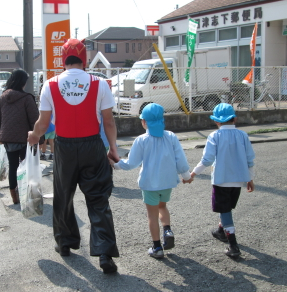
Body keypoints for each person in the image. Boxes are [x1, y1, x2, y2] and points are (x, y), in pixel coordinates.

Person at [28, 38, 119, 274]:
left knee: (63, 195)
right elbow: (108, 121)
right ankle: (105, 253)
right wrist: (113, 149)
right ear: (84, 59)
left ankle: (64, 242)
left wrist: (35, 135)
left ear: (63, 59)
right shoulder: (100, 84)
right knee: (98, 199)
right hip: (93, 146)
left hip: (65, 146)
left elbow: (44, 123)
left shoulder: (50, 84)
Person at [109, 103, 192, 259]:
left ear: (144, 122)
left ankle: (157, 247)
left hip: (149, 183)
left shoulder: (141, 140)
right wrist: (187, 176)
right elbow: (180, 159)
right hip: (167, 182)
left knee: (151, 215)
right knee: (163, 207)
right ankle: (167, 230)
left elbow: (132, 163)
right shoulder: (171, 136)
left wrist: (116, 165)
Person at [186, 103, 255, 257]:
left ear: (216, 121)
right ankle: (220, 231)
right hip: (238, 180)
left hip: (221, 180)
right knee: (227, 208)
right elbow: (250, 159)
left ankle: (233, 246)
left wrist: (193, 174)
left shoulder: (214, 136)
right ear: (234, 119)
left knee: (224, 210)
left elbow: (207, 160)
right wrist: (250, 178)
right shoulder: (243, 135)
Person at [0, 69, 40, 205]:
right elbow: (34, 119)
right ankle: (26, 193)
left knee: (13, 166)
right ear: (23, 82)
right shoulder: (27, 98)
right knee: (27, 166)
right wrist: (39, 137)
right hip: (25, 138)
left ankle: (14, 196)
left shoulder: (3, 97)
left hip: (8, 138)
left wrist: (0, 136)